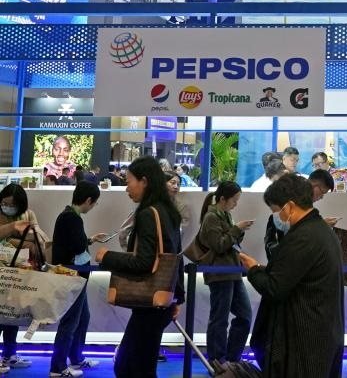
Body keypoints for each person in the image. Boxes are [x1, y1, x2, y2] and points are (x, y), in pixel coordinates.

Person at [240, 174, 344, 377]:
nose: (276, 216)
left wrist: (253, 269)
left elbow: (275, 288)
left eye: (275, 210)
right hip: (321, 334)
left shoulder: (303, 237)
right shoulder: (321, 230)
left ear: (288, 207)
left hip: (304, 340)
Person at [96, 157, 184, 378]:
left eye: (129, 182)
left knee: (130, 367)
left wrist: (107, 257)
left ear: (144, 181)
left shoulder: (147, 214)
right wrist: (176, 298)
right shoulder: (169, 211)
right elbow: (176, 257)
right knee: (139, 365)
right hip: (161, 301)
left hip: (149, 305)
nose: (127, 188)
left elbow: (143, 262)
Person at [49, 181, 105, 378]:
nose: (94, 206)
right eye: (95, 202)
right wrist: (86, 242)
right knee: (70, 323)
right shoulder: (71, 218)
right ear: (88, 200)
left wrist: (90, 240)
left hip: (76, 277)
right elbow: (78, 247)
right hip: (72, 277)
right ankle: (57, 367)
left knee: (82, 318)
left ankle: (75, 358)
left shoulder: (69, 216)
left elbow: (73, 243)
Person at [196, 181, 254, 364]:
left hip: (232, 271)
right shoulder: (211, 217)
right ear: (223, 199)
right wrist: (237, 229)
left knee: (244, 315)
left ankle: (231, 359)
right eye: (234, 200)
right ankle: (217, 360)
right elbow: (219, 245)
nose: (236, 204)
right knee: (219, 318)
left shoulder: (225, 215)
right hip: (220, 273)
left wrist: (238, 231)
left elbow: (228, 242)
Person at [0, 184, 42, 371]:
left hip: (19, 273)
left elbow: (37, 237)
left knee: (13, 315)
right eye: (4, 203)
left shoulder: (28, 214)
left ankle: (9, 355)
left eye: (11, 205)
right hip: (2, 274)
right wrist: (15, 233)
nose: (7, 207)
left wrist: (14, 238)